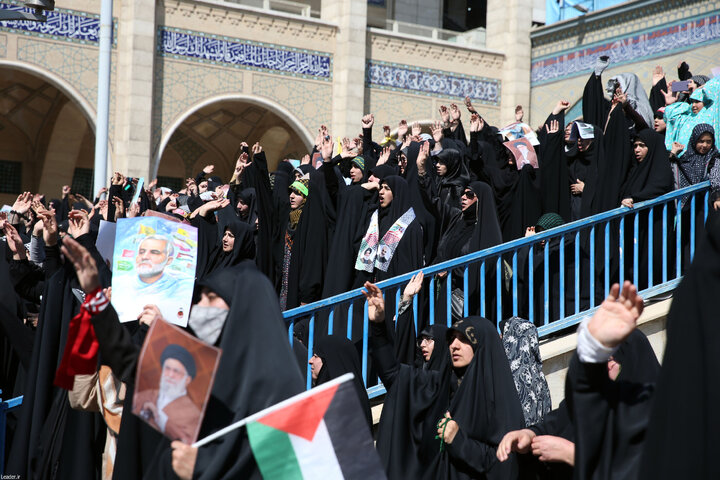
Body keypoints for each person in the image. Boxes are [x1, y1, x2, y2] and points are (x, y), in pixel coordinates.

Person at [363, 280, 526, 479]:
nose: (454, 346)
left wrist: (459, 440)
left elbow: (504, 467)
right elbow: (393, 375)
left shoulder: (499, 401)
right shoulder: (439, 384)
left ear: (482, 347)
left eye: (464, 339)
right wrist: (378, 325)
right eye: (451, 339)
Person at [566, 281, 660, 480]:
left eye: (612, 359)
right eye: (604, 360)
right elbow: (581, 401)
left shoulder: (668, 413)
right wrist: (592, 350)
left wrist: (570, 452)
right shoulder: (608, 405)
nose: (608, 365)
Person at [113, 234, 195, 322]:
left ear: (169, 260)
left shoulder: (180, 287)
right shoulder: (120, 284)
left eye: (154, 252)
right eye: (141, 252)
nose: (144, 257)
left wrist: (159, 324)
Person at [135, 344, 202, 444]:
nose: (170, 375)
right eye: (167, 369)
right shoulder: (145, 396)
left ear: (187, 379)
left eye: (176, 371)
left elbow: (187, 441)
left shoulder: (193, 414)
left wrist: (161, 418)